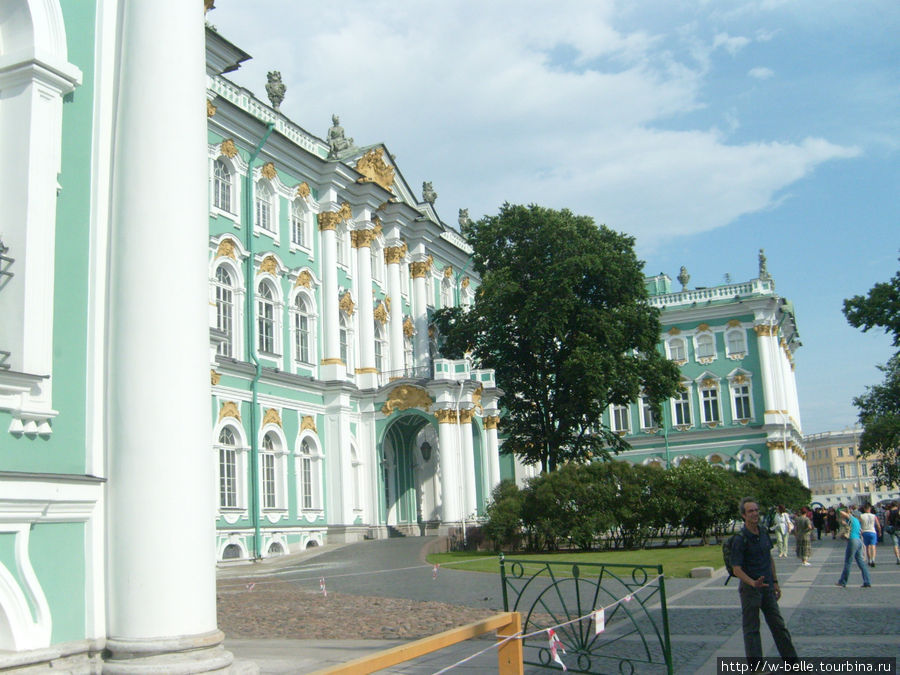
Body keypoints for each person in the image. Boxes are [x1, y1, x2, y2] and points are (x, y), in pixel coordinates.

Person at [731, 497, 798, 666]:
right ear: (743, 515)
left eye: (756, 510)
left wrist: (775, 582)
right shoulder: (740, 538)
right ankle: (756, 667)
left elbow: (769, 558)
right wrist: (752, 583)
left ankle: (792, 662)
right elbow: (736, 569)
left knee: (778, 625)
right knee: (752, 629)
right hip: (750, 589)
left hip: (767, 586)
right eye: (750, 511)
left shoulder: (762, 532)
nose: (754, 514)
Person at [835, 506, 872, 588]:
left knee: (848, 562)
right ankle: (867, 581)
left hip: (852, 541)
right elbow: (860, 531)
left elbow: (841, 512)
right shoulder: (856, 520)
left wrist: (839, 509)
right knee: (861, 562)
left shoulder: (851, 518)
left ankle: (843, 581)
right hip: (858, 541)